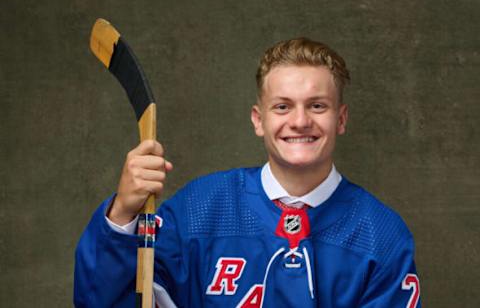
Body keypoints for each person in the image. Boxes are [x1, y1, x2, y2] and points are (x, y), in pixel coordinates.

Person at [74, 38, 421, 307]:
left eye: (317, 105)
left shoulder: (383, 235)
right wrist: (121, 215)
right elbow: (105, 302)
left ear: (341, 119)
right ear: (259, 120)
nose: (300, 121)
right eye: (282, 106)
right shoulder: (197, 210)